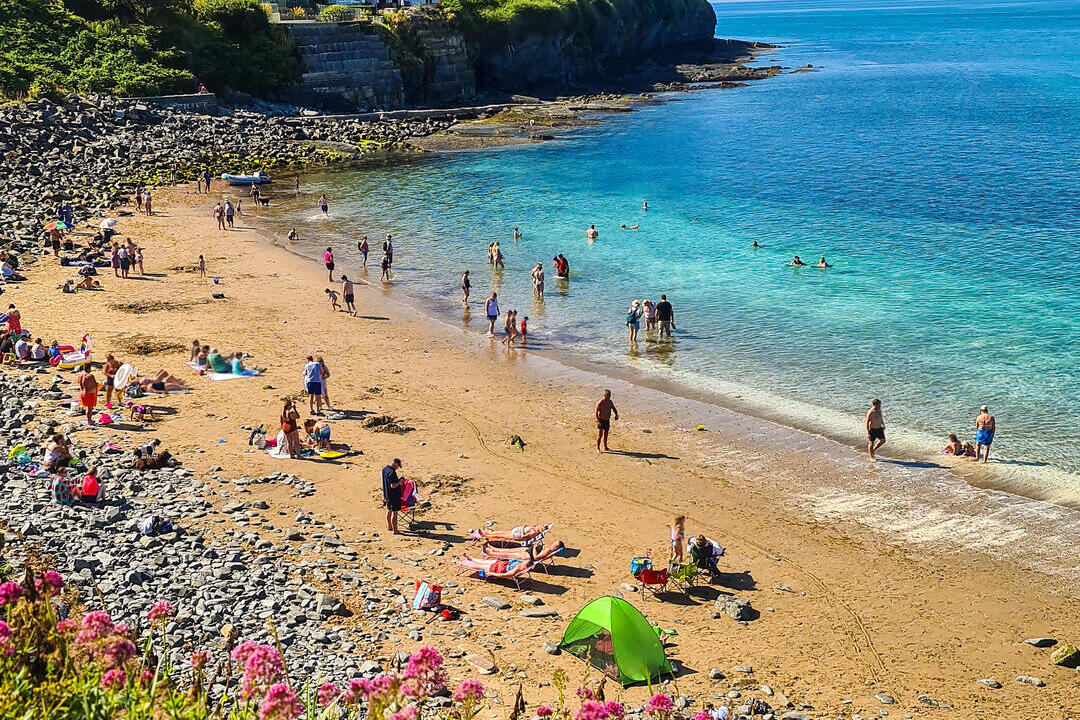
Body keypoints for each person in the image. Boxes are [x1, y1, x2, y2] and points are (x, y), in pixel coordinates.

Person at [382, 458, 403, 534]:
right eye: (397, 466)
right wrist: (400, 481)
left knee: (388, 510)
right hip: (393, 496)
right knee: (394, 513)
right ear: (395, 464)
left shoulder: (384, 469)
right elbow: (393, 485)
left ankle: (389, 526)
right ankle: (395, 530)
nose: (397, 468)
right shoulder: (392, 473)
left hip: (387, 495)